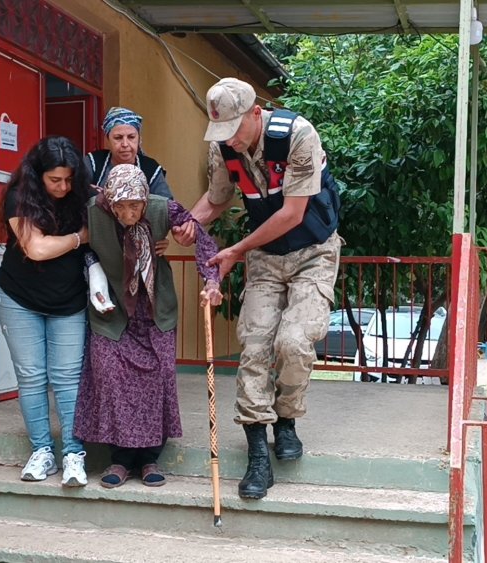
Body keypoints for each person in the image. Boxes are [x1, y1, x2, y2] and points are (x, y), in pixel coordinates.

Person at [175, 77, 342, 500]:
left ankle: (286, 420)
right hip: (266, 257)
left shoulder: (298, 136)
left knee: (295, 341)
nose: (228, 139)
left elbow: (291, 214)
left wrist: (235, 250)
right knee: (253, 345)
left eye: (234, 128)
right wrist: (191, 224)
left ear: (255, 114)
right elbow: (216, 199)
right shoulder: (223, 147)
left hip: (313, 252)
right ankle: (257, 454)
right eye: (221, 131)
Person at [74, 164, 222, 488]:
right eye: (121, 206)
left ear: (145, 200)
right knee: (109, 376)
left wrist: (212, 282)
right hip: (111, 310)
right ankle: (120, 459)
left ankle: (150, 458)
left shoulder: (162, 208)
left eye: (135, 205)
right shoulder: (91, 213)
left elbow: (202, 242)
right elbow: (77, 244)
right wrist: (91, 266)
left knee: (158, 379)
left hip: (155, 309)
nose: (129, 212)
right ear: (109, 202)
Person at [0, 136, 92, 487]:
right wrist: (80, 237)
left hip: (70, 301)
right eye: (55, 180)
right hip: (18, 298)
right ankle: (42, 452)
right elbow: (35, 248)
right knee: (32, 377)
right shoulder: (19, 195)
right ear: (39, 175)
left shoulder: (83, 194)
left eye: (69, 179)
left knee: (68, 378)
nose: (64, 187)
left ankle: (73, 454)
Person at [84, 107, 174, 199]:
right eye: (118, 138)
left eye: (131, 137)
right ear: (107, 140)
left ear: (139, 139)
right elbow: (74, 190)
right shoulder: (94, 162)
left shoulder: (151, 168)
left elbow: (167, 206)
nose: (125, 144)